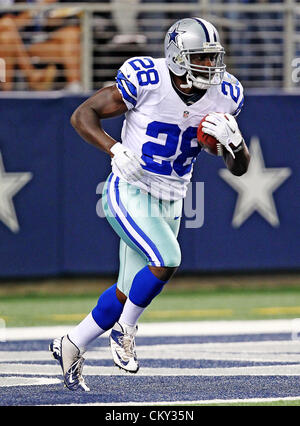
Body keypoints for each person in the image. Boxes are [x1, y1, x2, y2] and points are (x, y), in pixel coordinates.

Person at [49, 17, 250, 391]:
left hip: (173, 197)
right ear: (177, 57)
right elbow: (82, 115)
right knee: (167, 258)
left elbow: (239, 168)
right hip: (129, 188)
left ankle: (72, 343)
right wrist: (114, 148)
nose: (211, 66)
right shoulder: (148, 80)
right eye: (201, 58)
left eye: (212, 58)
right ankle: (125, 330)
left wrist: (236, 144)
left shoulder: (226, 93)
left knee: (129, 290)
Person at [0, 0, 81, 91]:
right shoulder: (19, 3)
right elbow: (11, 24)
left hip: (43, 41)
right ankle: (8, 92)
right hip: (24, 42)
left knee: (70, 34)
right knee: (6, 37)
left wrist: (52, 13)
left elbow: (52, 23)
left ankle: (74, 85)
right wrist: (34, 10)